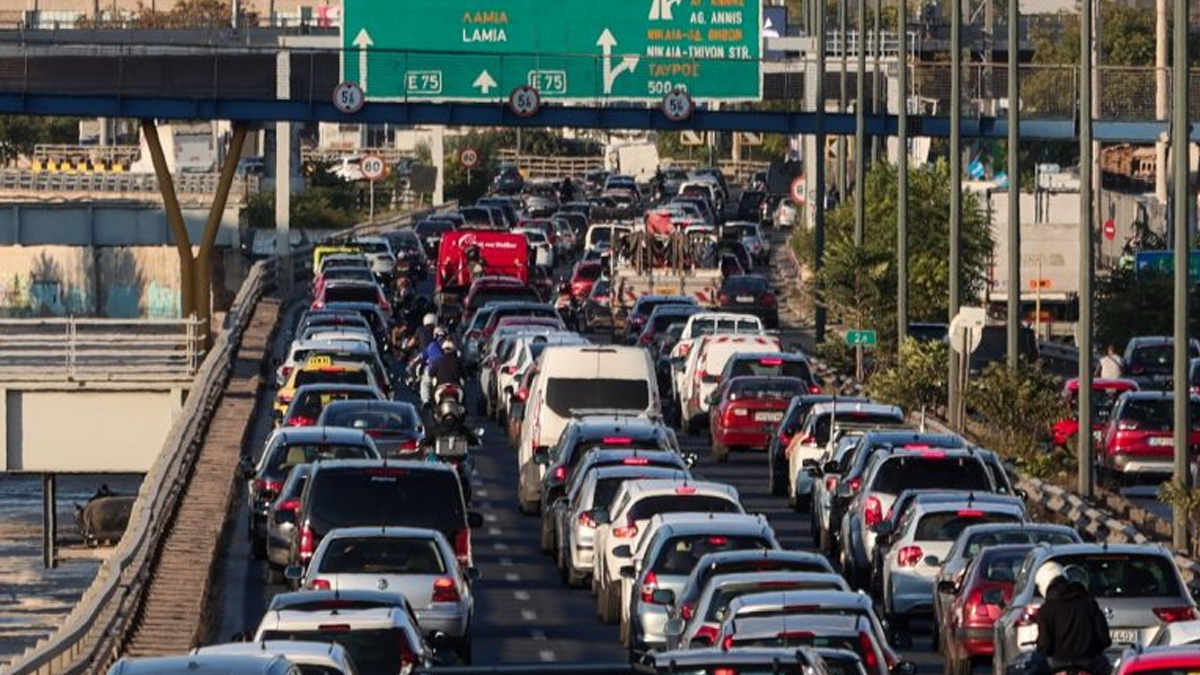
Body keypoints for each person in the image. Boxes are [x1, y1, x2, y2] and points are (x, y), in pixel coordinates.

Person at [1032, 562, 1112, 675]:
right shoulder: (1088, 603)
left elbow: (1044, 645)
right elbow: (1103, 638)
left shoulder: (1046, 610)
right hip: (1089, 662)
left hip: (1057, 664)